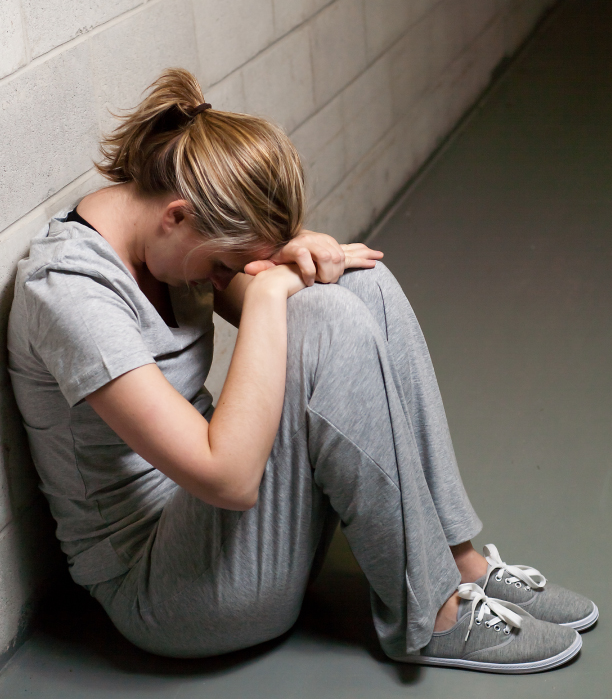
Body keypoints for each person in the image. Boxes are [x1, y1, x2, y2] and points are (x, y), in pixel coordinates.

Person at [8, 69, 597, 674]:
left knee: (357, 280)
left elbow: (284, 299)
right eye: (227, 263)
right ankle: (434, 619)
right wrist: (266, 295)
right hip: (170, 591)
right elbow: (229, 479)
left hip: (234, 533)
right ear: (177, 217)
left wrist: (296, 259)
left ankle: (457, 565)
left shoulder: (167, 241)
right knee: (326, 318)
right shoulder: (72, 294)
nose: (223, 279)